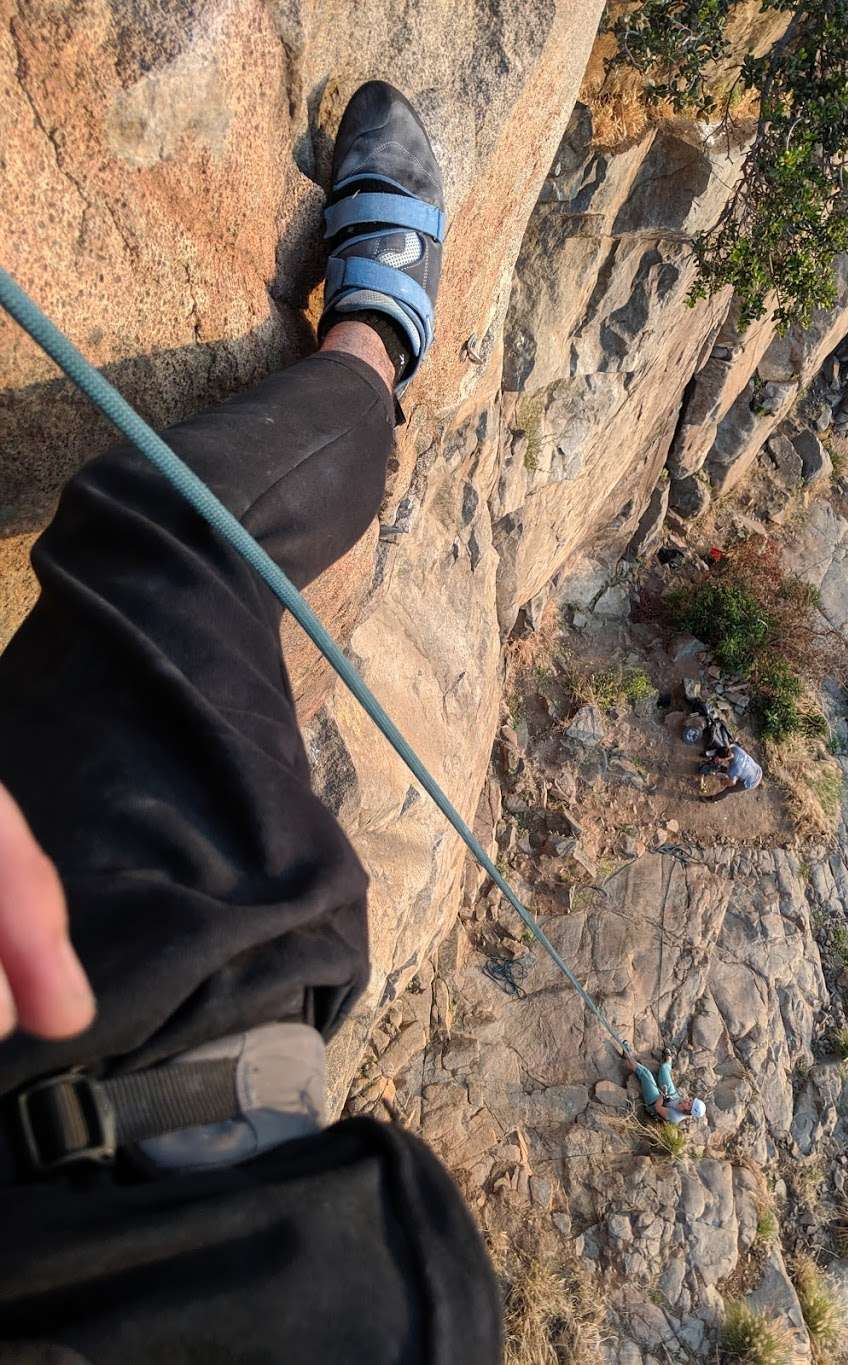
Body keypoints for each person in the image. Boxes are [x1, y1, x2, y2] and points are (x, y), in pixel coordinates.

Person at [0, 82, 501, 1363]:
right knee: (157, 550)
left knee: (163, 539)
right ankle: (375, 349)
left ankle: (372, 342)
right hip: (192, 1160)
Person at [622, 1045, 706, 1124]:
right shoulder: (683, 1102)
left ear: (688, 1111)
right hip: (671, 1097)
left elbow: (657, 1107)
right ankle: (669, 1060)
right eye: (691, 1100)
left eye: (689, 1104)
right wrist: (665, 1093)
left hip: (654, 1104)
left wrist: (662, 1095)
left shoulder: (675, 1116)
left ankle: (627, 1056)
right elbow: (674, 1097)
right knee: (664, 1069)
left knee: (646, 1074)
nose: (687, 1100)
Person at [699, 740, 763, 802]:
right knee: (731, 772)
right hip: (756, 769)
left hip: (752, 781)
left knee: (728, 790)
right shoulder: (734, 748)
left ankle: (711, 799)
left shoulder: (734, 769)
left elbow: (732, 783)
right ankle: (721, 770)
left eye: (719, 759)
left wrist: (723, 781)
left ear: (725, 758)